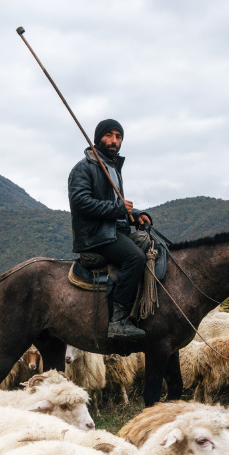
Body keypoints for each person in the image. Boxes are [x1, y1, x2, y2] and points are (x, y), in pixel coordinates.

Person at [68, 119, 152, 340]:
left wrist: (135, 215)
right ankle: (118, 321)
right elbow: (80, 202)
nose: (114, 141)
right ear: (98, 138)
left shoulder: (113, 167)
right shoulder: (84, 168)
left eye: (119, 136)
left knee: (147, 242)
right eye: (109, 135)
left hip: (115, 231)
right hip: (96, 236)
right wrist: (117, 208)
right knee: (135, 257)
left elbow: (116, 204)